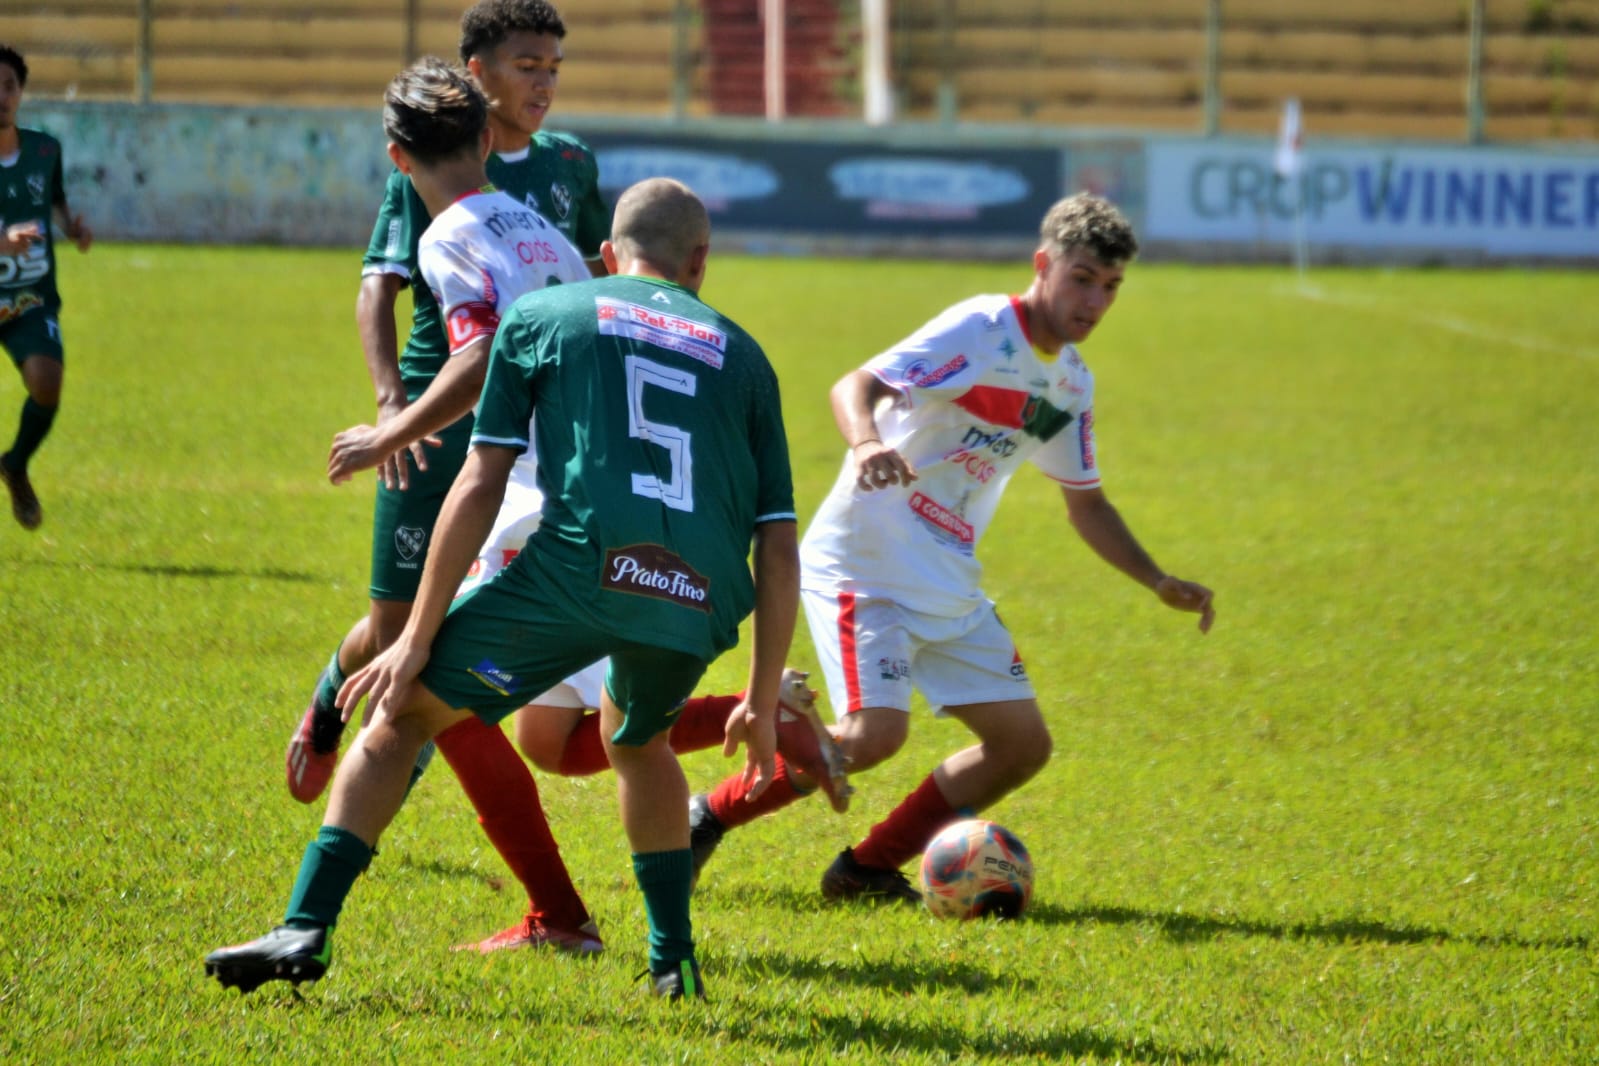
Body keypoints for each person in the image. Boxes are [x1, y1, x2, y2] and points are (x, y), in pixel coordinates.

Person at [206, 176, 798, 1001]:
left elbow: (481, 481)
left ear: (604, 256)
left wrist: (415, 638)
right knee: (637, 744)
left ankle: (306, 923)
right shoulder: (745, 355)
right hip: (695, 597)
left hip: (574, 570)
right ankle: (672, 961)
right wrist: (761, 700)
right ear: (701, 262)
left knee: (406, 712)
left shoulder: (545, 318)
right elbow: (776, 546)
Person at [688, 192, 1217, 903]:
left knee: (1021, 746)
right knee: (872, 738)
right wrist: (868, 441)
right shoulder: (980, 329)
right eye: (1083, 277)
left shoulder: (1068, 383)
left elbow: (1085, 502)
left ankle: (866, 869)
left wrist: (1156, 580)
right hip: (863, 565)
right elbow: (857, 384)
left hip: (946, 577)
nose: (1095, 300)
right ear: (1043, 265)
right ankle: (705, 816)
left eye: (1111, 286)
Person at [279, 0, 617, 956]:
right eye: (526, 63)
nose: (543, 79)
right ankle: (335, 696)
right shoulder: (508, 218)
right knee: (410, 658)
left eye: (554, 63)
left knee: (423, 687)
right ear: (477, 91)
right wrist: (395, 405)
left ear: (399, 155)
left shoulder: (533, 190)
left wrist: (389, 436)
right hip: (516, 463)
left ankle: (553, 917)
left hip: (495, 467)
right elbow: (391, 296)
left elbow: (488, 353)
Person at [0, 44, 92, 531]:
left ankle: (14, 465)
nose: (1, 96)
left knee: (48, 385)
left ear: (21, 93)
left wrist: (70, 227)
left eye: (9, 86)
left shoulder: (43, 150)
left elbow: (54, 201)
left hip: (29, 299)